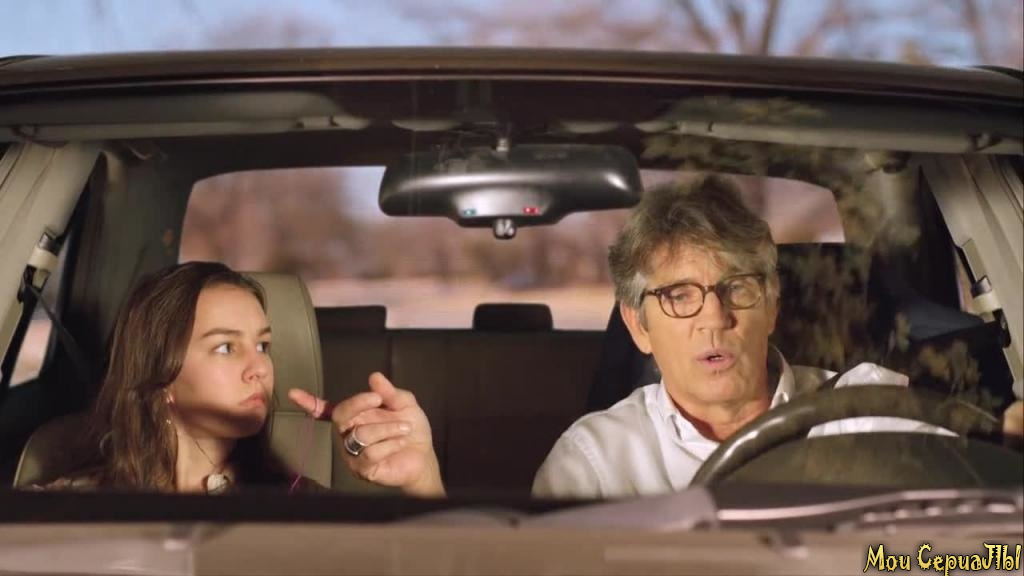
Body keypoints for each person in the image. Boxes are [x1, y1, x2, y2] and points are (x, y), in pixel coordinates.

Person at [42, 261, 319, 493]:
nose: (260, 368)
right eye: (226, 348)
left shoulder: (300, 503)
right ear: (161, 373)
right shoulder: (77, 503)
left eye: (263, 346)